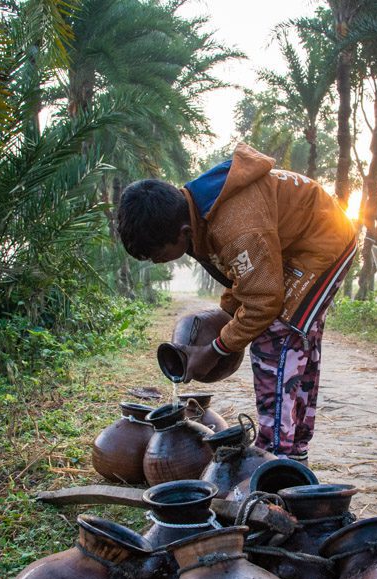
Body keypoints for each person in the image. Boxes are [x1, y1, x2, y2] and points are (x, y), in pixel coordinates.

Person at [117, 143, 357, 463]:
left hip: (322, 241)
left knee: (276, 337)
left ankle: (278, 456)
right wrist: (227, 313)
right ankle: (295, 454)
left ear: (182, 232)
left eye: (158, 254)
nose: (158, 262)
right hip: (299, 242)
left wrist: (215, 348)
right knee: (298, 345)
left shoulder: (234, 224)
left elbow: (262, 300)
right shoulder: (199, 208)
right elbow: (245, 276)